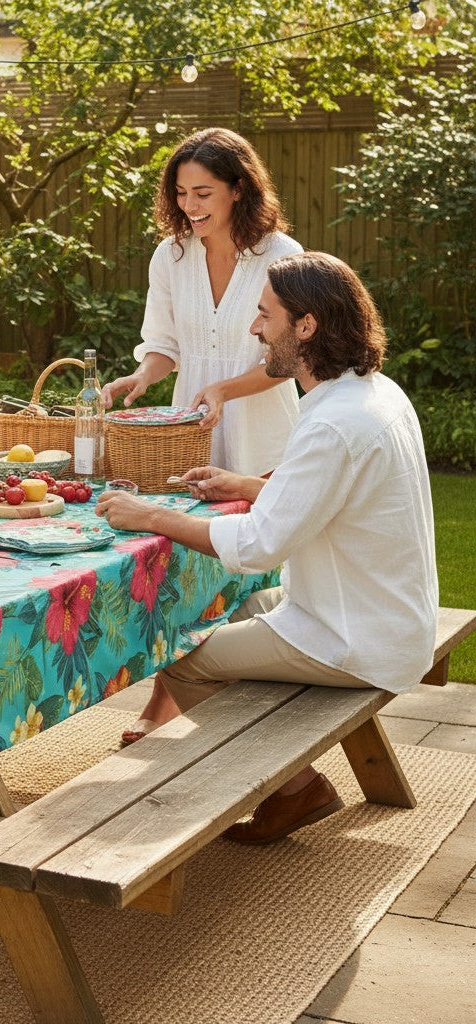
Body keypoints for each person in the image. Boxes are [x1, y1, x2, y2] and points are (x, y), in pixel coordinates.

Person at [96, 251, 437, 843]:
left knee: (175, 654)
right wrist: (252, 485)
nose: (255, 328)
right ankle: (288, 775)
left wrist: (148, 515)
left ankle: (296, 787)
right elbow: (336, 498)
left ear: (305, 326)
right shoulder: (370, 394)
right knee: (212, 611)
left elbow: (256, 547)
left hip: (353, 639)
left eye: (264, 314)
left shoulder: (333, 421)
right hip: (380, 617)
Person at [101, 127, 303, 745]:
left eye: (204, 192)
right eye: (182, 192)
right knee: (186, 556)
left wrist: (222, 390)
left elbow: (285, 358)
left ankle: (235, 699)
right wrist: (140, 378)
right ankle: (172, 694)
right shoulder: (173, 255)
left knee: (255, 562)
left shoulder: (281, 254)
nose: (190, 206)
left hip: (261, 426)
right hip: (192, 432)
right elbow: (163, 345)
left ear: (239, 189)